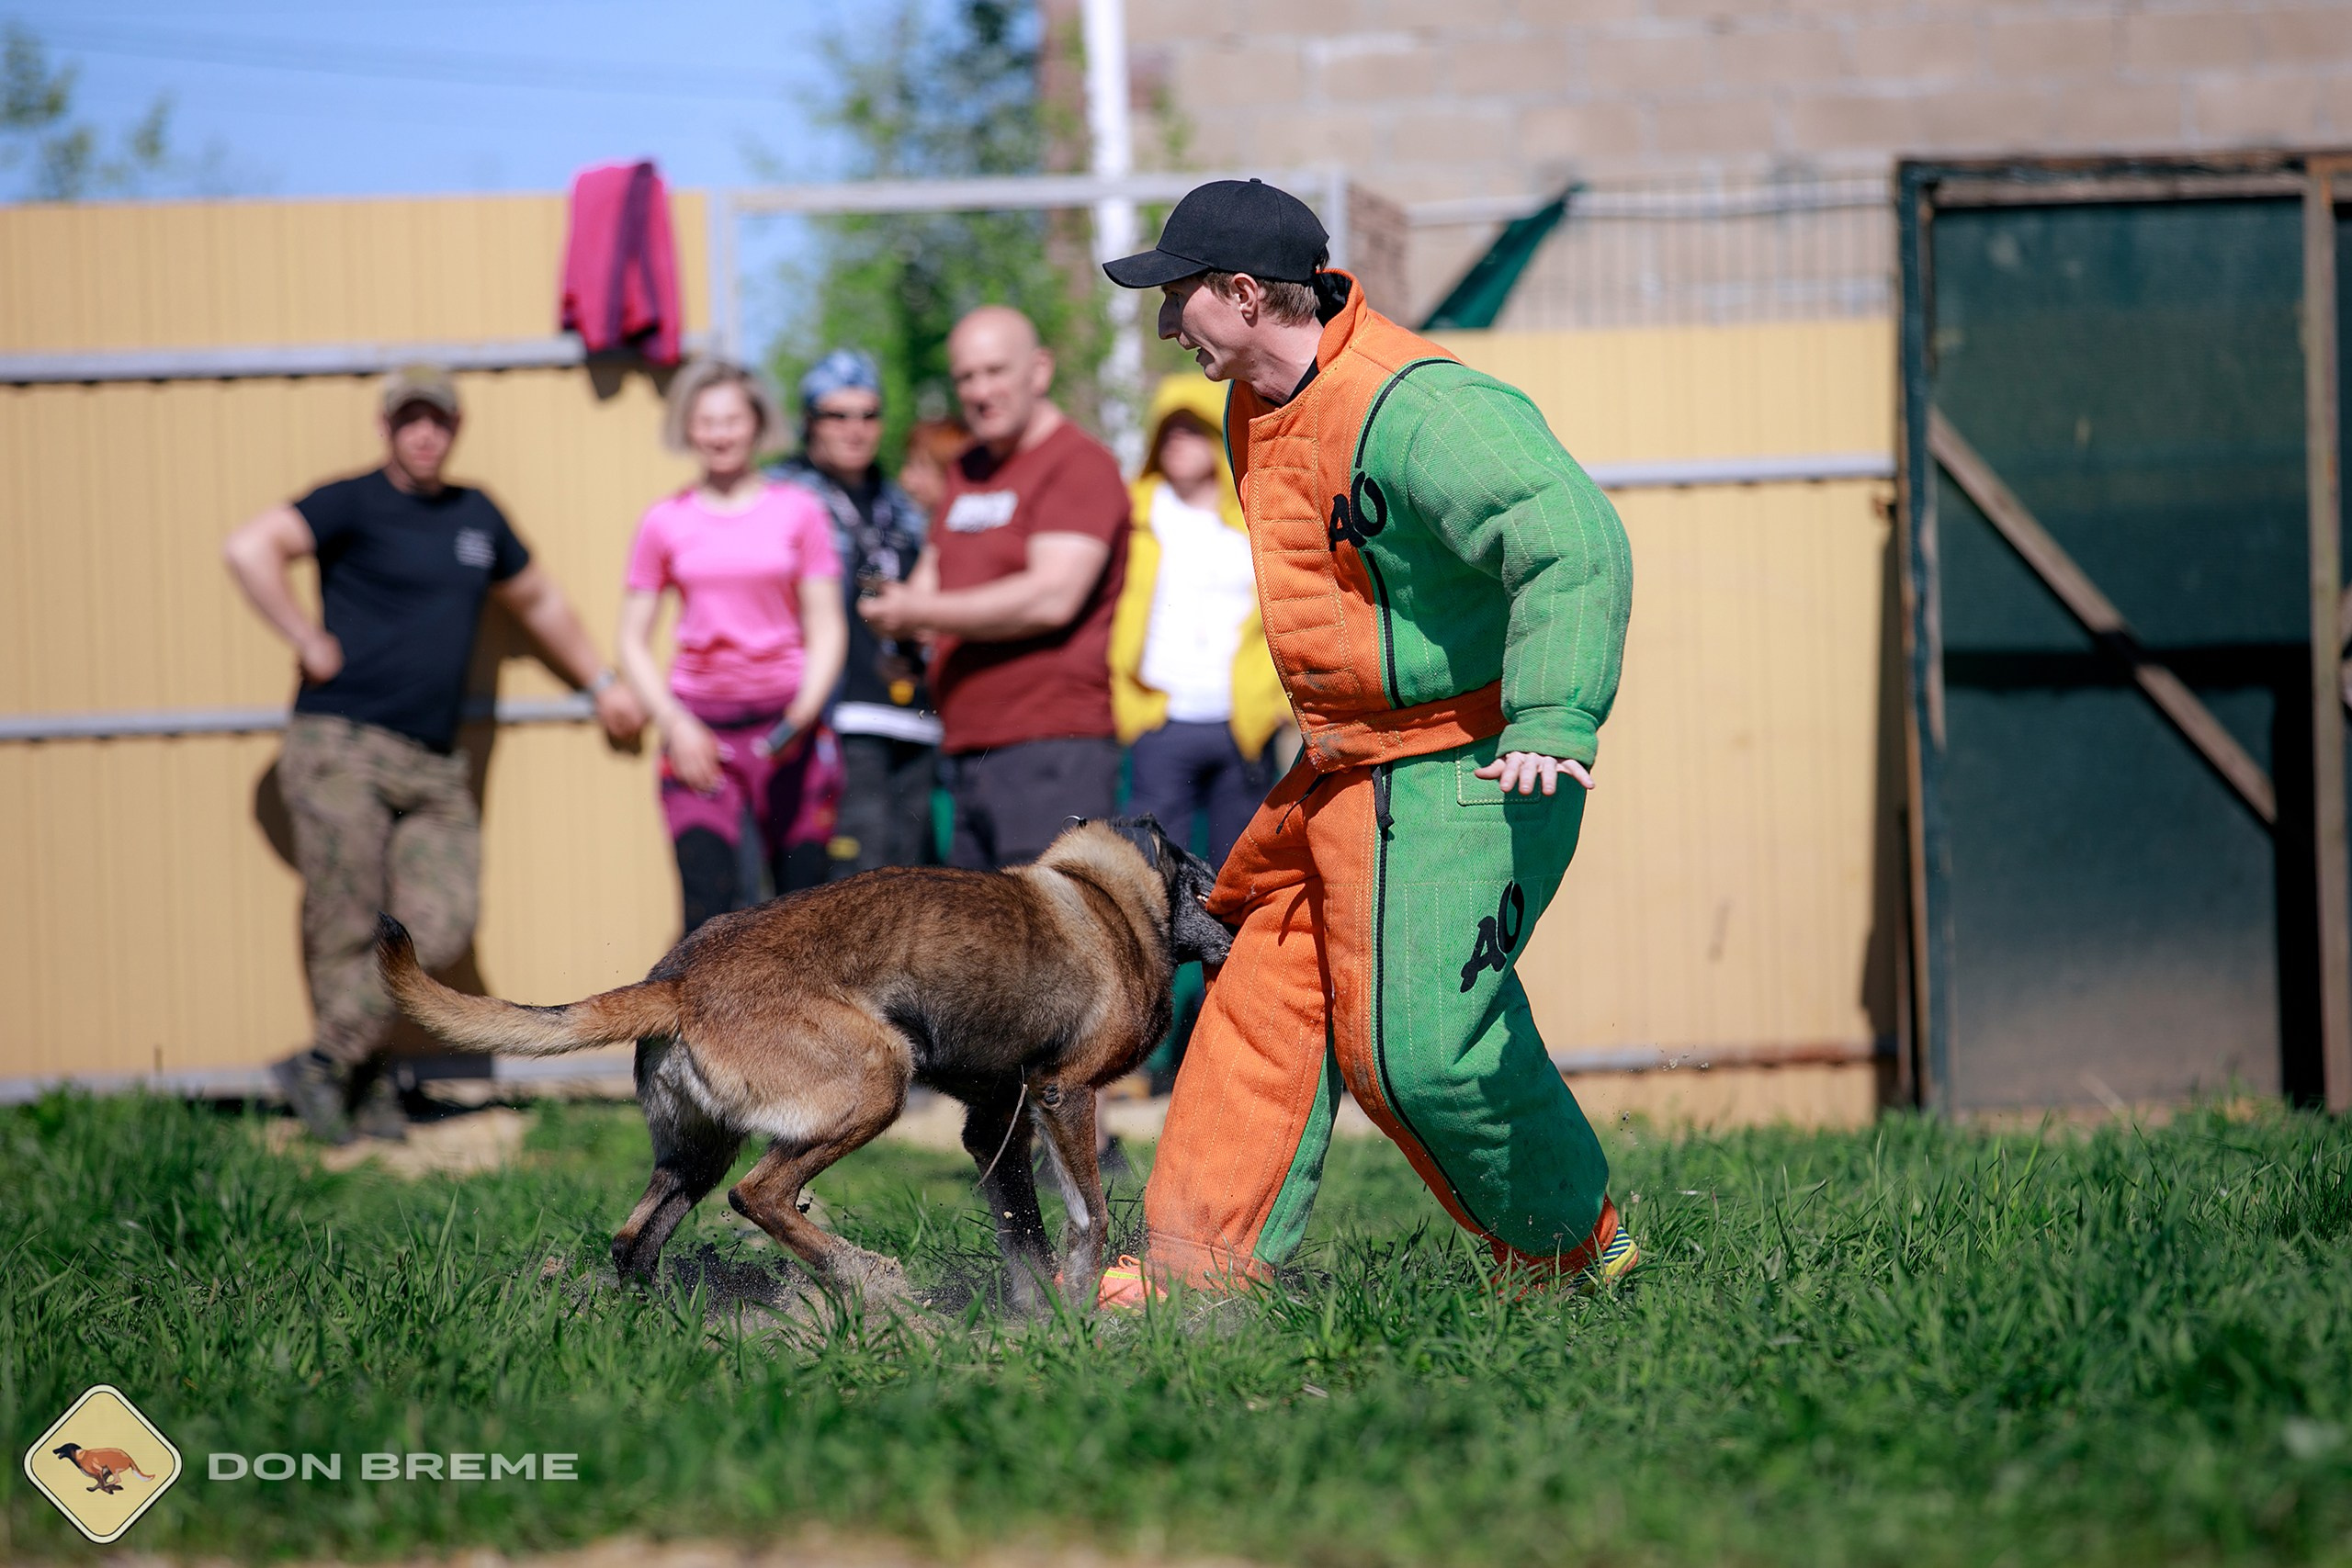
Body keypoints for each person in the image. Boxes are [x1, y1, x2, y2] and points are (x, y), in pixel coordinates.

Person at [1096, 178, 1640, 1303]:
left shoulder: (1419, 404)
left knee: (1417, 1056)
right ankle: (1193, 1288)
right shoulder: (1256, 404)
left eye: (1178, 296)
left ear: (1245, 296)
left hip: (1471, 764)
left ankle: (1581, 1260)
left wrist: (1551, 716)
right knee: (1259, 1018)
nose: (1164, 323)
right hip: (1346, 770)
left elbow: (1571, 537)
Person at [221, 364, 645, 1145]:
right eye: (410, 419)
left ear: (456, 428)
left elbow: (540, 600)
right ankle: (366, 1082)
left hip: (435, 762)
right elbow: (250, 548)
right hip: (340, 745)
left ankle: (325, 1059)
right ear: (386, 427)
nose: (425, 433)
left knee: (436, 926)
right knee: (345, 919)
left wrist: (600, 681)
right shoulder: (350, 499)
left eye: (439, 420)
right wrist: (305, 638)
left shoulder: (477, 515)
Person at [859, 306, 1129, 871]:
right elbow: (931, 579)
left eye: (995, 371)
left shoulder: (1080, 465)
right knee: (979, 957)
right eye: (966, 377)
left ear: (1039, 370)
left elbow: (1051, 597)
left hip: (1052, 748)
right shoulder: (966, 469)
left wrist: (920, 609)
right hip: (963, 750)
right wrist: (901, 628)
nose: (980, 391)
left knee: (1053, 950)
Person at [617, 360, 848, 936]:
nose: (720, 434)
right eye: (706, 421)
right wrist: (675, 724)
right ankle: (688, 1029)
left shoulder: (799, 511)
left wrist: (802, 713)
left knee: (807, 916)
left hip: (787, 732)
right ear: (688, 429)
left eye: (732, 420)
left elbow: (827, 624)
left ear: (756, 425)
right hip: (700, 736)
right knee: (707, 912)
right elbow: (631, 638)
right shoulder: (664, 522)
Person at [769, 350, 942, 879]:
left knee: (911, 892)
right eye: (837, 415)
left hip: (912, 719)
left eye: (869, 415)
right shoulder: (781, 497)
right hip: (831, 719)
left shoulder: (901, 504)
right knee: (849, 892)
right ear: (808, 421)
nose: (855, 429)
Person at [1110, 375, 1286, 870]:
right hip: (1160, 718)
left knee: (1242, 871)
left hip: (1243, 723)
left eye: (1192, 429)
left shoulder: (1258, 516)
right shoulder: (1135, 513)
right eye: (1168, 431)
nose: (1178, 442)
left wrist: (1273, 703)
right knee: (1151, 873)